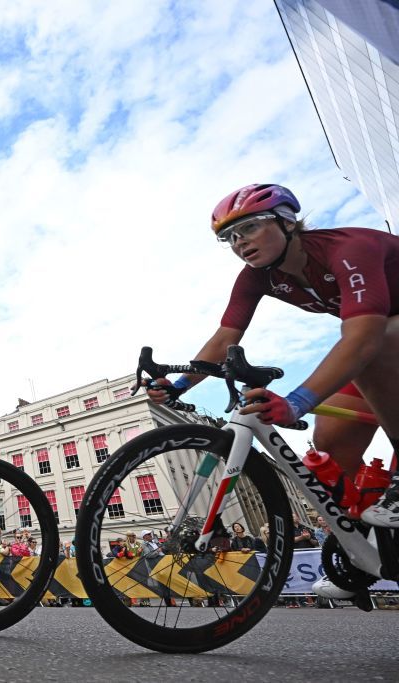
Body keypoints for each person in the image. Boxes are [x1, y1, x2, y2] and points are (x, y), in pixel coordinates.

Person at [144, 183, 399, 596]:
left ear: (286, 222)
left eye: (249, 228)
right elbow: (224, 338)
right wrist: (177, 385)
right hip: (381, 343)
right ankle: (373, 555)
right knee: (331, 441)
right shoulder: (257, 277)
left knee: (380, 338)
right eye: (229, 237)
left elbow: (363, 337)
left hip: (384, 336)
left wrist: (297, 401)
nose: (239, 242)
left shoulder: (348, 248)